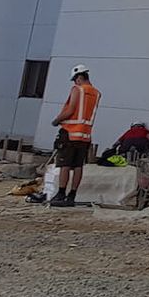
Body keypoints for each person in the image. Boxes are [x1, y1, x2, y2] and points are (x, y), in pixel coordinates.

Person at [47, 65, 100, 208]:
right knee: (78, 166)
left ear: (79, 77)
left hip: (70, 133)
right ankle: (72, 196)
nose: (74, 83)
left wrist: (56, 120)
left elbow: (70, 110)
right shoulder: (96, 93)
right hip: (85, 135)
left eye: (74, 80)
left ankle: (61, 194)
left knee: (65, 164)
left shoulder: (78, 90)